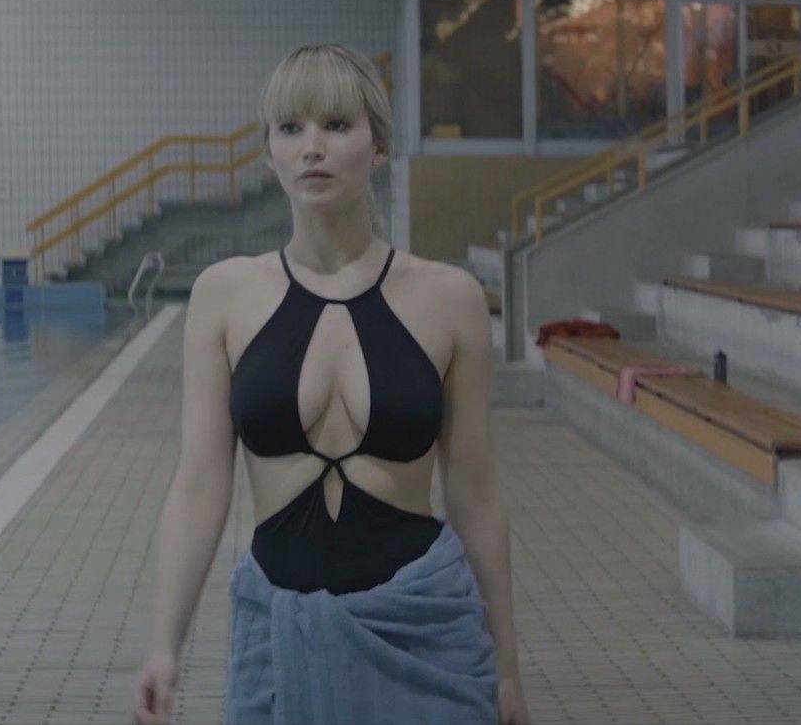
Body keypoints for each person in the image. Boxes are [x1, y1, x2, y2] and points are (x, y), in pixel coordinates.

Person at [133, 44, 530, 725]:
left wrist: (508, 669)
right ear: (269, 152)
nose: (311, 147)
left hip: (423, 631)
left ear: (379, 146)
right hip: (278, 641)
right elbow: (199, 486)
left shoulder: (449, 299)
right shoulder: (223, 296)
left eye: (337, 125)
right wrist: (163, 648)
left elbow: (475, 492)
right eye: (290, 128)